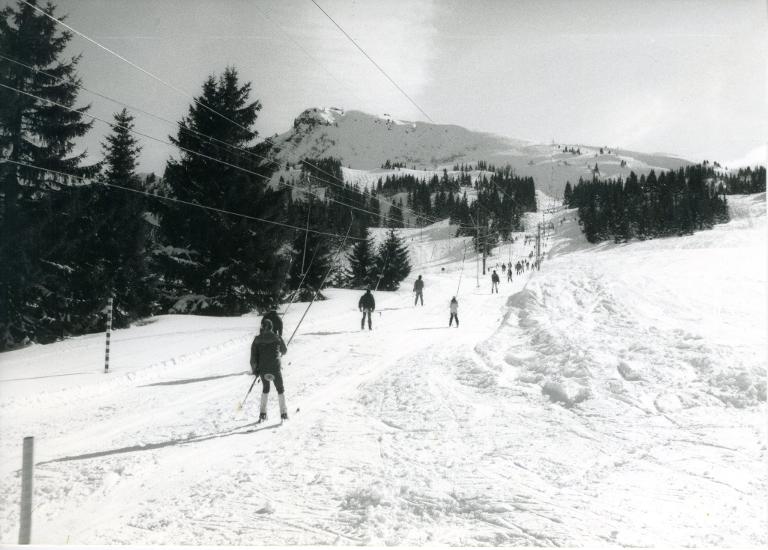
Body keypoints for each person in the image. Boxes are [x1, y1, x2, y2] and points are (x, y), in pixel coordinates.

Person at [250, 318, 289, 422]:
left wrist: (255, 370)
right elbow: (284, 351)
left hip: (263, 370)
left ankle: (262, 414)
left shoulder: (257, 339)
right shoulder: (277, 337)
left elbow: (253, 358)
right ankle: (283, 414)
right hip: (275, 368)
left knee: (265, 388)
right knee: (280, 389)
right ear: (271, 327)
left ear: (262, 327)